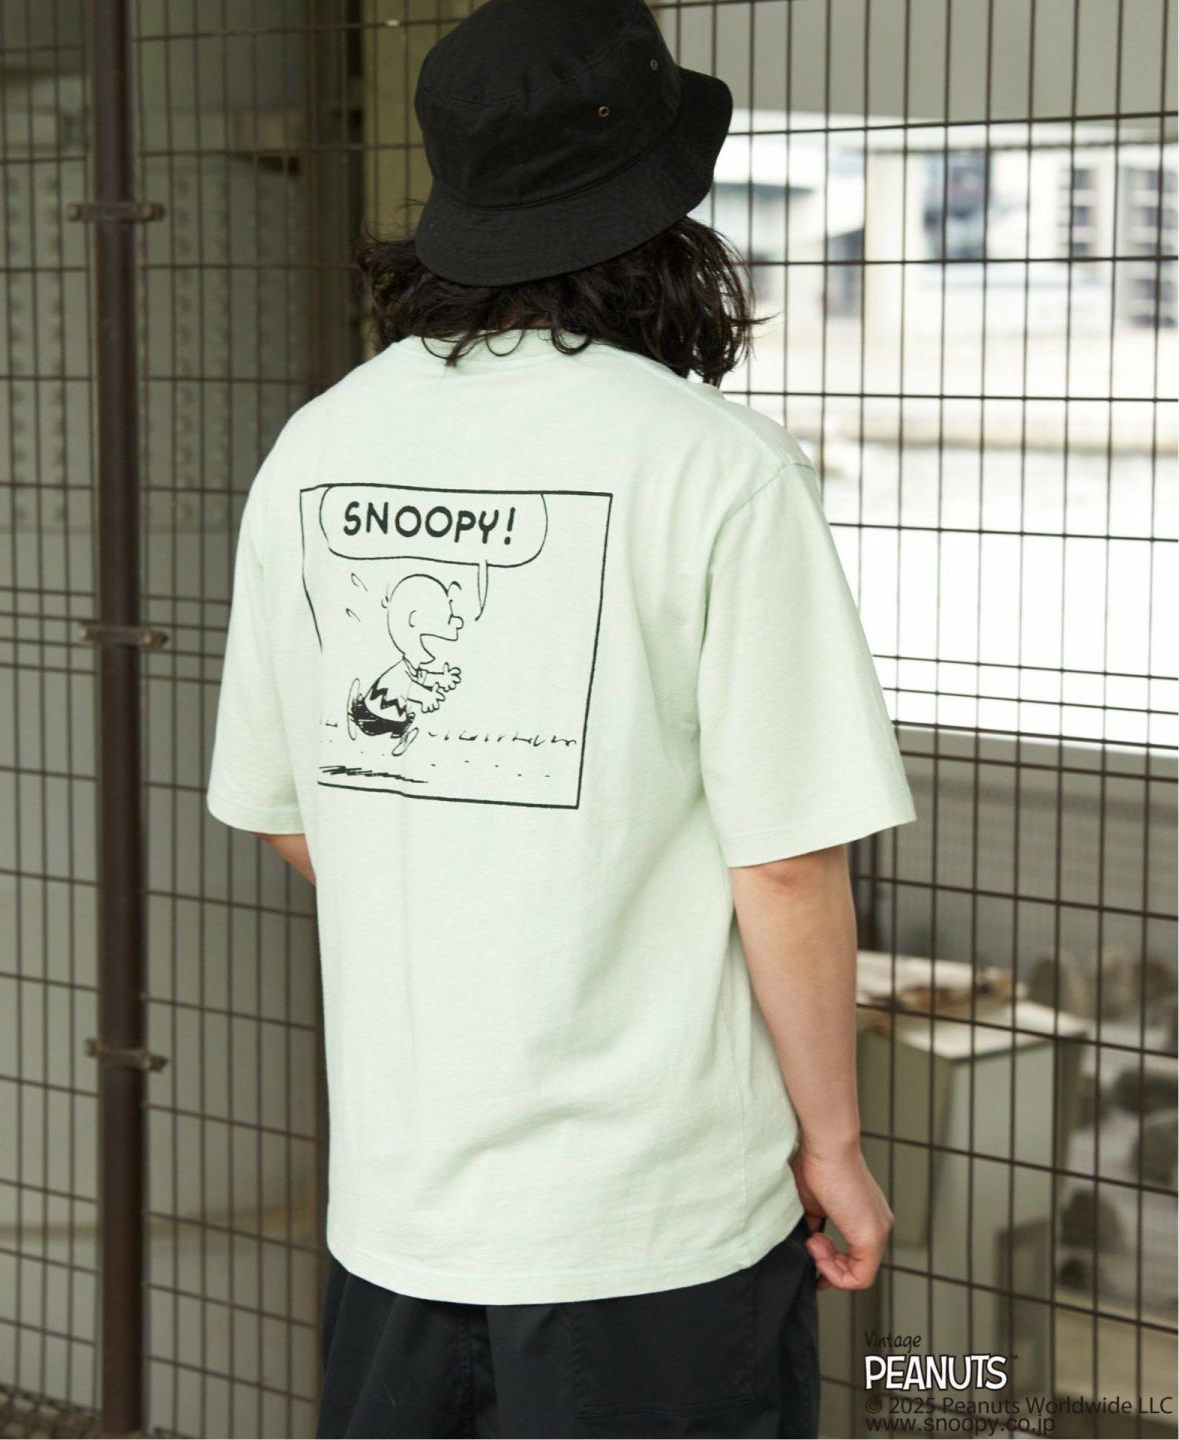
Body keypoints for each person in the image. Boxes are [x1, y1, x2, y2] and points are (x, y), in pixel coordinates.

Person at [206, 0, 916, 1434]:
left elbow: (288, 810)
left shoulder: (320, 446)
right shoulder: (717, 468)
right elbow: (786, 864)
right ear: (663, 215)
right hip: (652, 1225)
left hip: (399, 1216)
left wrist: (481, 888)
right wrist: (834, 1146)